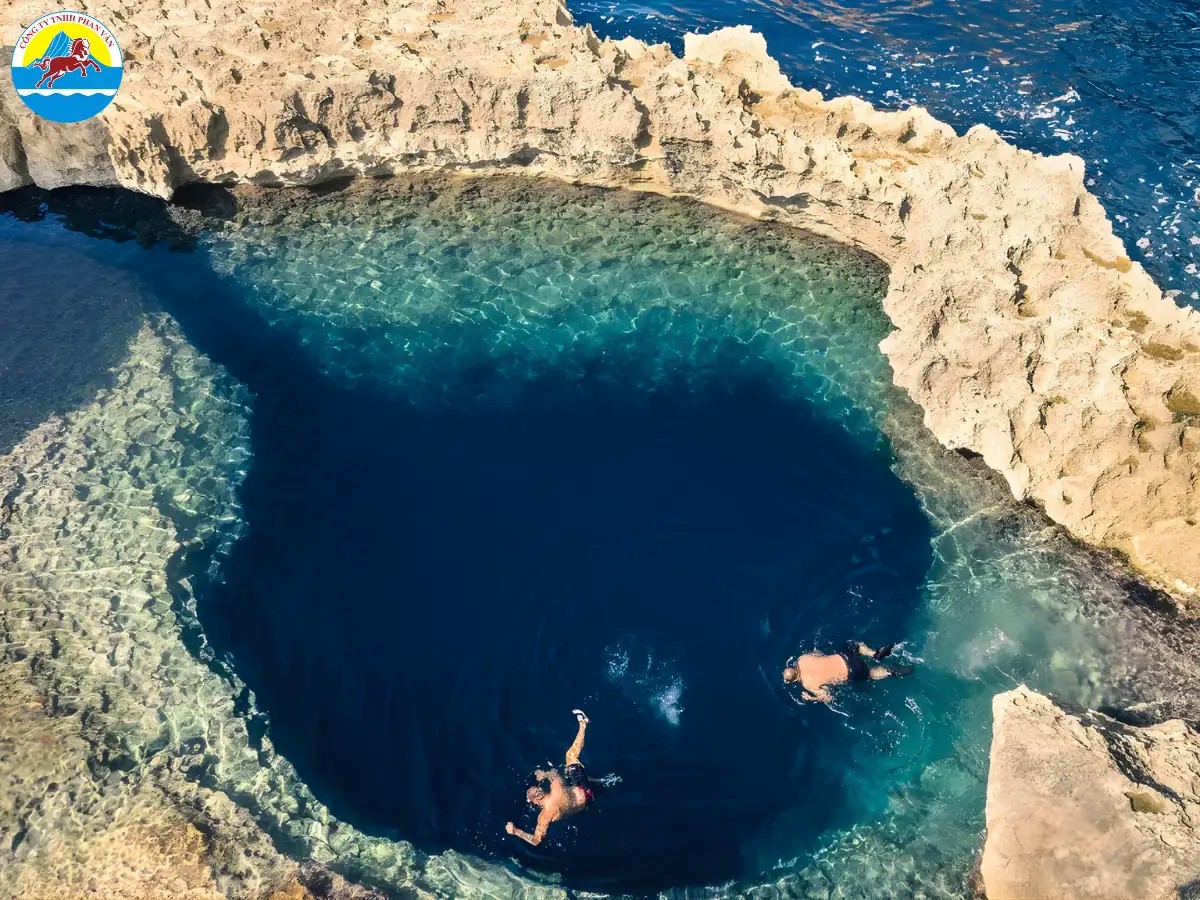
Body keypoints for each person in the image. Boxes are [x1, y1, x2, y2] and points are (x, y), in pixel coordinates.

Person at [506, 709, 593, 846]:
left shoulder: (545, 816)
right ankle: (583, 723)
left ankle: (597, 782)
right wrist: (545, 774)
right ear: (539, 794)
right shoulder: (555, 787)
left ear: (534, 802)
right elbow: (554, 774)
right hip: (583, 788)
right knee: (570, 756)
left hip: (586, 804)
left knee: (571, 779)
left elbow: (536, 841)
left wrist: (516, 831)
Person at [782, 641, 912, 703]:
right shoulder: (802, 659)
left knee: (870, 674)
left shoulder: (808, 684)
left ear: (792, 680)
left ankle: (890, 671)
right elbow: (818, 654)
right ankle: (874, 654)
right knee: (855, 646)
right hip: (844, 657)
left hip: (851, 671)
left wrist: (812, 698)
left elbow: (828, 697)